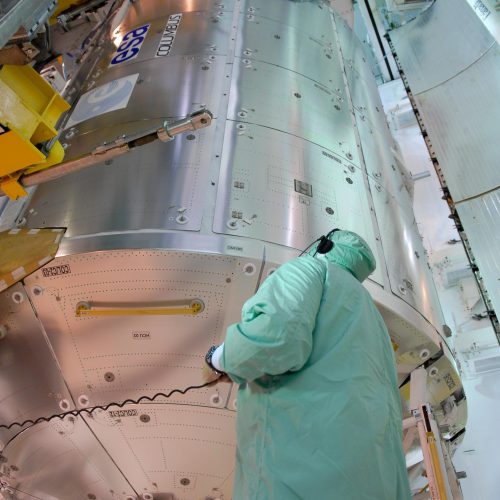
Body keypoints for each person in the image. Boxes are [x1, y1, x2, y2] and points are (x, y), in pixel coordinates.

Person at [203, 229, 411, 500]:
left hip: (302, 474)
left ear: (324, 246)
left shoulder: (309, 269)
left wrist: (218, 359)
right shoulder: (372, 316)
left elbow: (274, 337)